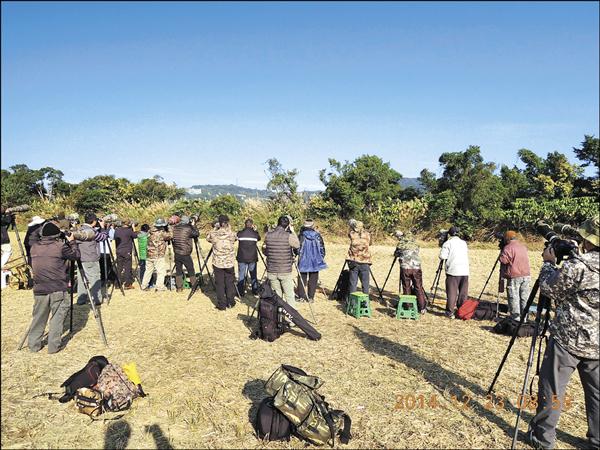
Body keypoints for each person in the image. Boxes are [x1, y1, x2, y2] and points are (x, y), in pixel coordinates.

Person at [527, 216, 599, 450]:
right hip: (598, 343)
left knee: (553, 389)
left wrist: (548, 263)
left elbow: (550, 287)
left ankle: (542, 438)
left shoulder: (579, 266)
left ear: (587, 240)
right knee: (597, 394)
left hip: (569, 339)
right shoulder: (582, 262)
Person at [28, 221, 80, 353]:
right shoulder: (60, 246)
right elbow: (76, 256)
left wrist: (44, 224)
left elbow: (33, 235)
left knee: (38, 318)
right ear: (57, 235)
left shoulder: (34, 247)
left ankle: (33, 345)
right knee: (57, 318)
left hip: (39, 290)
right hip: (58, 288)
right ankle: (53, 347)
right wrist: (72, 241)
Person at [263, 215, 300, 307]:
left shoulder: (268, 235)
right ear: (287, 226)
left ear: (277, 224)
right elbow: (297, 245)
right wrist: (293, 231)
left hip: (272, 270)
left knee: (276, 295)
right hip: (285, 270)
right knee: (289, 295)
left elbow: (264, 250)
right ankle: (290, 318)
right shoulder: (288, 236)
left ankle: (277, 315)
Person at [75, 213, 109, 306]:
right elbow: (103, 237)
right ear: (94, 221)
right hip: (91, 258)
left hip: (80, 258)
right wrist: (103, 228)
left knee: (82, 279)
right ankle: (96, 299)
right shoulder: (91, 232)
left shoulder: (79, 230)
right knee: (95, 279)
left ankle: (81, 299)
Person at [206, 215, 237, 310]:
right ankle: (230, 302)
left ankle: (221, 304)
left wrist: (216, 227)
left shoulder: (214, 234)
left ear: (219, 223)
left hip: (218, 263)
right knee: (229, 282)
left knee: (219, 284)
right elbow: (235, 238)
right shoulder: (232, 234)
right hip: (229, 262)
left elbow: (208, 238)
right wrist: (228, 227)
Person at [499, 230, 531, 321]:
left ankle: (515, 318)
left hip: (514, 276)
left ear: (507, 239)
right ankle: (525, 318)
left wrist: (502, 251)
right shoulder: (523, 246)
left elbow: (503, 260)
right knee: (524, 297)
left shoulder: (508, 247)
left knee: (514, 297)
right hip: (526, 275)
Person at [439, 226, 469, 319]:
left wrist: (442, 242)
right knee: (463, 293)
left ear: (449, 234)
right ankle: (462, 311)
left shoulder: (448, 243)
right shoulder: (464, 243)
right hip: (465, 270)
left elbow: (442, 256)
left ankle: (450, 312)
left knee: (452, 292)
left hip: (453, 271)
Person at [394, 230, 427, 313]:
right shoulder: (416, 244)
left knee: (406, 286)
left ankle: (408, 305)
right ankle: (422, 307)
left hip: (405, 268)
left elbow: (396, 254)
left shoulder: (401, 244)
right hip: (416, 268)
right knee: (418, 287)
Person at [297, 219, 327, 302]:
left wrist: (298, 255)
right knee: (313, 279)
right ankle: (311, 297)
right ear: (312, 226)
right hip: (315, 260)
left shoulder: (301, 235)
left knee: (302, 278)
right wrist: (320, 257)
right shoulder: (317, 235)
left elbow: (297, 248)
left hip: (303, 259)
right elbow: (322, 248)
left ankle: (301, 297)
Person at [141, 218, 172, 292]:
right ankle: (159, 287)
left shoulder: (150, 231)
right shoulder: (161, 233)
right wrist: (169, 227)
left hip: (149, 254)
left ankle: (144, 286)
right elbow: (170, 236)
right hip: (158, 255)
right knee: (161, 272)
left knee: (148, 271)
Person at [171, 215, 199, 293]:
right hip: (185, 253)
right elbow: (196, 234)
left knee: (178, 270)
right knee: (191, 270)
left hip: (177, 252)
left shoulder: (175, 228)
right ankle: (194, 286)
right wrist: (193, 225)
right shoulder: (188, 228)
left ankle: (179, 288)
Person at [346, 219, 372, 296]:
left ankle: (352, 301)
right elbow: (370, 243)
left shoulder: (352, 234)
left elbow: (350, 231)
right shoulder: (367, 234)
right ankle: (365, 301)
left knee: (353, 283)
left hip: (354, 261)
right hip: (365, 261)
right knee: (365, 284)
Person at [236, 218, 261, 296]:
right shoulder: (255, 234)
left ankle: (241, 292)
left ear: (245, 224)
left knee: (241, 275)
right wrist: (255, 230)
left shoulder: (240, 233)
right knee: (253, 275)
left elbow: (237, 236)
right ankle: (255, 290)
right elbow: (259, 238)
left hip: (242, 257)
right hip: (252, 258)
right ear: (252, 225)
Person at [114, 219, 138, 289]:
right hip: (126, 251)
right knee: (127, 267)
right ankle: (127, 284)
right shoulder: (129, 231)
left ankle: (117, 284)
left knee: (119, 267)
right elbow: (135, 235)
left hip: (118, 250)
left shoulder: (117, 230)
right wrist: (133, 228)